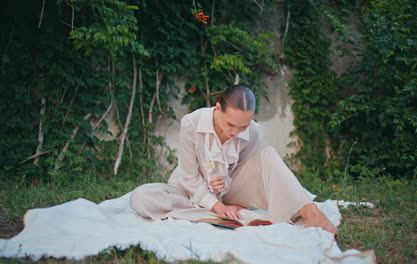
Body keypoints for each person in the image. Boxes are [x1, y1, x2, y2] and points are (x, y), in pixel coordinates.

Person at [130, 85, 337, 234]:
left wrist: (226, 183)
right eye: (230, 125)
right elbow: (189, 177)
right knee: (142, 197)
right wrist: (217, 206)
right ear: (218, 108)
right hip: (190, 190)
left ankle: (311, 212)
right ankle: (215, 213)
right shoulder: (191, 123)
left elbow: (243, 171)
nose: (235, 132)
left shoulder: (254, 131)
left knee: (268, 154)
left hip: (231, 193)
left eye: (243, 127)